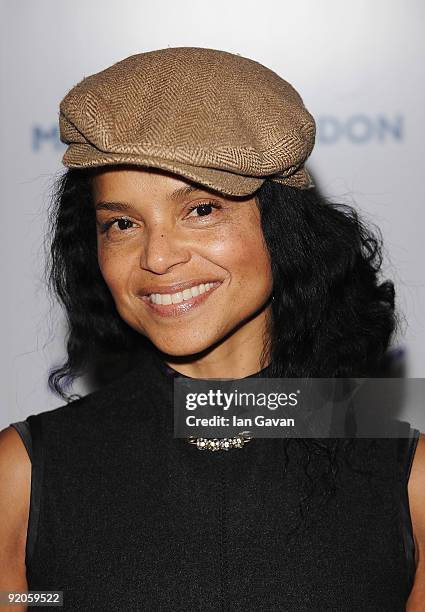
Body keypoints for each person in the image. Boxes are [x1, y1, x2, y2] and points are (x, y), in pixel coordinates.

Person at [0, 47, 424, 611]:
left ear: (283, 228)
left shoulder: (407, 479)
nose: (156, 258)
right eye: (122, 223)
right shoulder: (24, 475)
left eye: (200, 210)